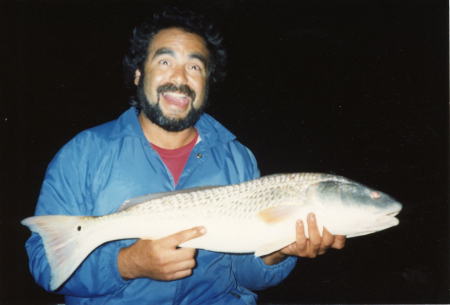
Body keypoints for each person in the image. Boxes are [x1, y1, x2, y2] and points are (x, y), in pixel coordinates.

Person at [25, 7, 345, 305]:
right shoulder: (84, 153)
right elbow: (45, 264)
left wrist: (278, 253)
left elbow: (243, 274)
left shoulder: (237, 159)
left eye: (195, 66)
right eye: (165, 61)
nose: (180, 78)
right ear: (138, 74)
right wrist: (127, 264)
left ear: (206, 84)